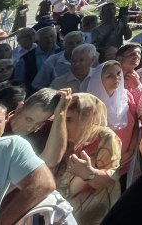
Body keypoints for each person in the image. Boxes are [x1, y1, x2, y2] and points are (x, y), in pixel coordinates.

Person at [41, 92, 121, 224]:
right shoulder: (57, 139)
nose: (63, 125)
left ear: (86, 117)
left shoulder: (104, 137)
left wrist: (89, 174)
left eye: (69, 119)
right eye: (61, 119)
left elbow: (111, 179)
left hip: (91, 216)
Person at [86, 60, 139, 186]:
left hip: (124, 163)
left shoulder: (127, 98)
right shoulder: (90, 104)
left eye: (118, 74)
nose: (116, 78)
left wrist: (131, 151)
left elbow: (136, 126)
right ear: (99, 80)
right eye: (110, 76)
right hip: (98, 168)